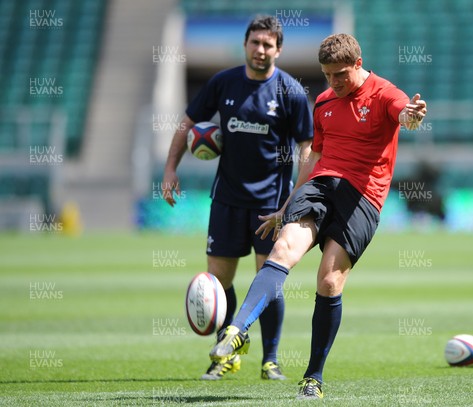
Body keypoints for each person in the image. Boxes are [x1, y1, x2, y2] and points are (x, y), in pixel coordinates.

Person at [208, 33, 427, 399]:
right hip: (321, 187)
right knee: (282, 251)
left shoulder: (384, 93)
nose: (333, 83)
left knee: (328, 282)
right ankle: (238, 330)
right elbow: (313, 157)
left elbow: (405, 114)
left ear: (358, 64)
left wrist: (412, 116)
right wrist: (286, 204)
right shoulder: (324, 102)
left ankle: (313, 377)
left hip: (362, 199)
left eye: (340, 74)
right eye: (327, 75)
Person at [161, 15, 313, 381]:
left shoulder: (290, 91)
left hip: (270, 206)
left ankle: (270, 360)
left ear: (278, 49)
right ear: (245, 44)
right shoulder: (222, 82)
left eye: (268, 45)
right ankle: (224, 357)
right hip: (227, 200)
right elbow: (187, 123)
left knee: (269, 280)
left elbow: (306, 145)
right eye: (255, 43)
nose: (260, 50)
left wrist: (293, 199)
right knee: (219, 280)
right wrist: (170, 169)